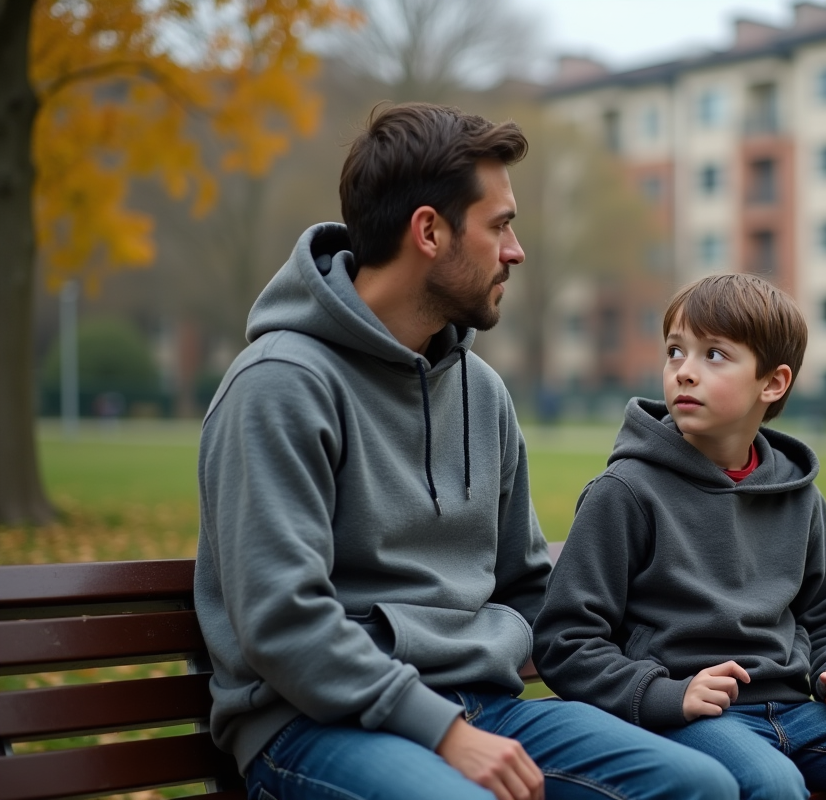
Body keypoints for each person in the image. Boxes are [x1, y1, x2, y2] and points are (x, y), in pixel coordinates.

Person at [194, 103, 739, 800]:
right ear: (429, 231)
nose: (515, 250)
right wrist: (443, 732)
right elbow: (283, 622)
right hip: (314, 723)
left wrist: (651, 680)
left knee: (700, 787)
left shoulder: (480, 391)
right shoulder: (279, 386)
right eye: (501, 225)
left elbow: (527, 587)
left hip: (485, 707)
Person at [533, 274, 826, 800]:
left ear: (773, 382)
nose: (685, 372)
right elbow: (565, 640)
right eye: (676, 351)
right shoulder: (625, 492)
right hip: (696, 715)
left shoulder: (798, 494)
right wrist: (661, 694)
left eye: (714, 355)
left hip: (800, 713)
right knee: (772, 785)